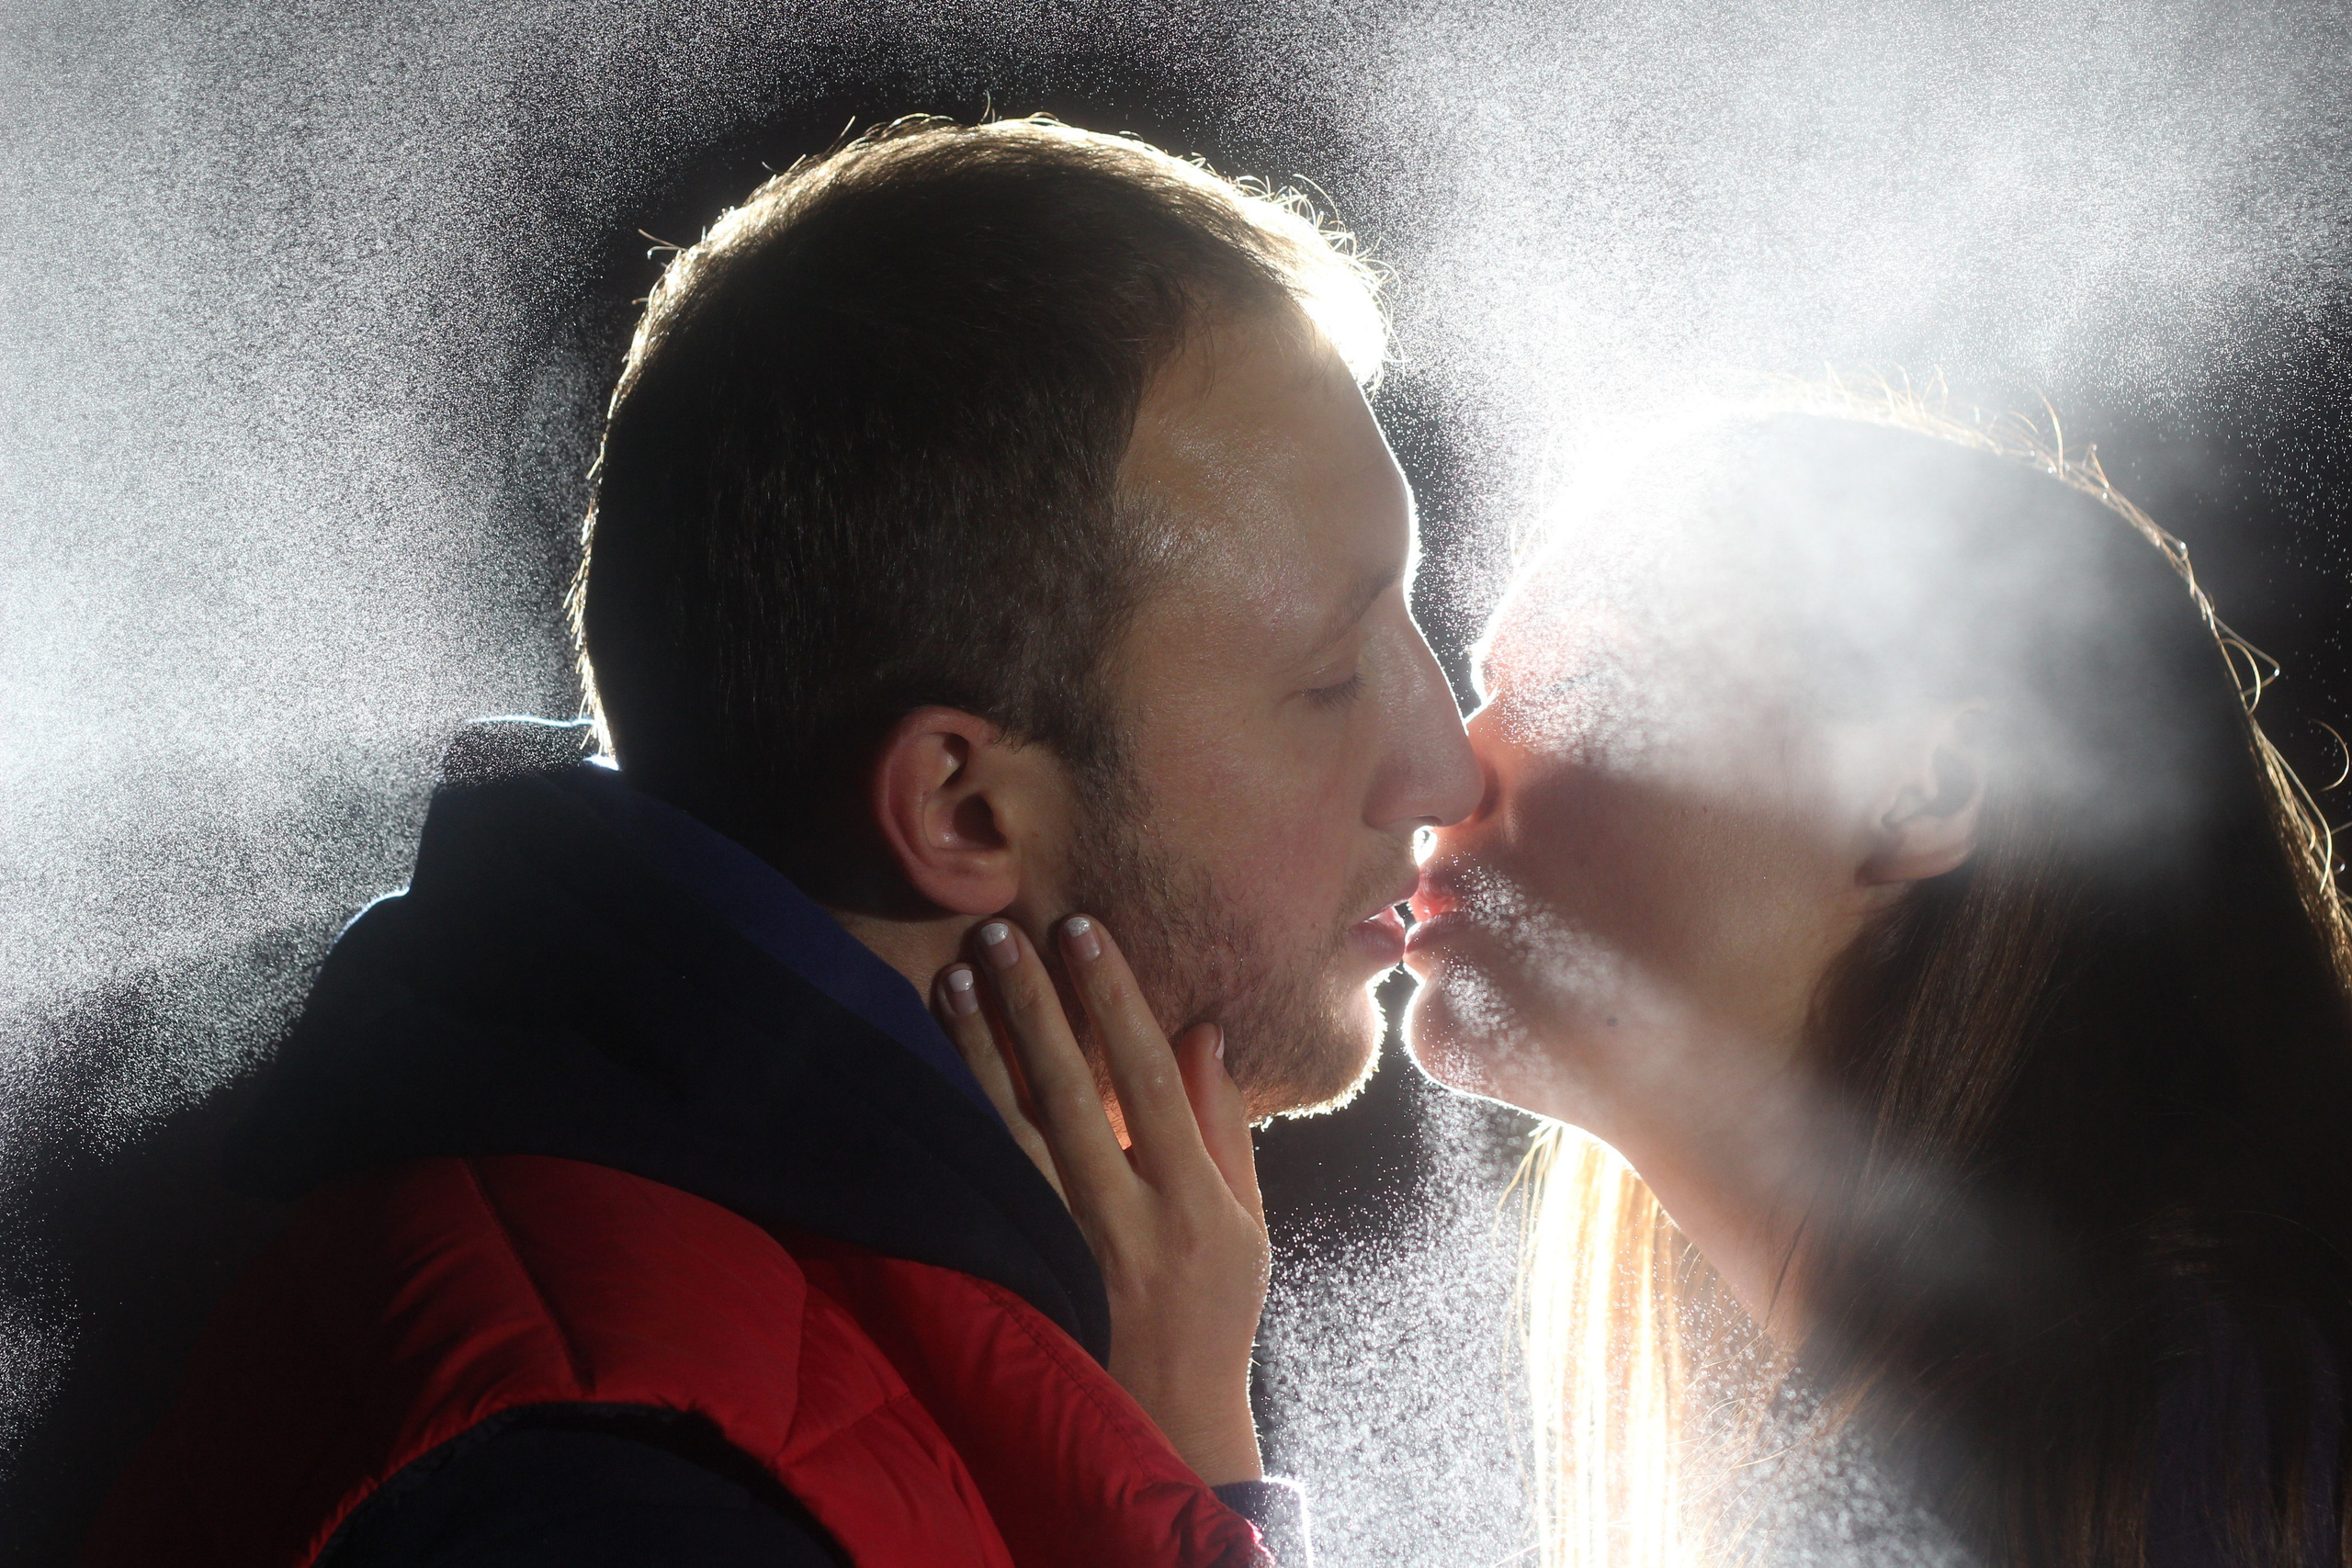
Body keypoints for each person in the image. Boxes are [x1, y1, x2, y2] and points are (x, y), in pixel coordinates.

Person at [78, 114, 1477, 1568]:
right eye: (1326, 682)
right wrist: (1180, 1493)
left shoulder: (799, 1291)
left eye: (1408, 617)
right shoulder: (609, 1503)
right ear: (961, 811)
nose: (1441, 764)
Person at [964, 387, 2352, 1567]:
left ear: (1914, 789)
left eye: (1580, 680)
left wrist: (1176, 1472)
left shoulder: (2221, 1433)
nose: (1448, 768)